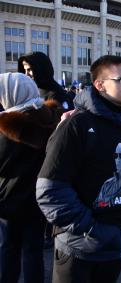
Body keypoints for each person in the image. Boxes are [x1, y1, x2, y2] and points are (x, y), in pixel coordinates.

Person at [36, 55, 121, 283]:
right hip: (80, 248)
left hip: (115, 246)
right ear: (100, 85)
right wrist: (92, 229)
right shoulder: (76, 125)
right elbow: (49, 192)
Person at [0, 73, 61, 283]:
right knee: (33, 250)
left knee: (9, 248)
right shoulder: (52, 119)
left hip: (9, 200)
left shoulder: (6, 127)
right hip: (40, 199)